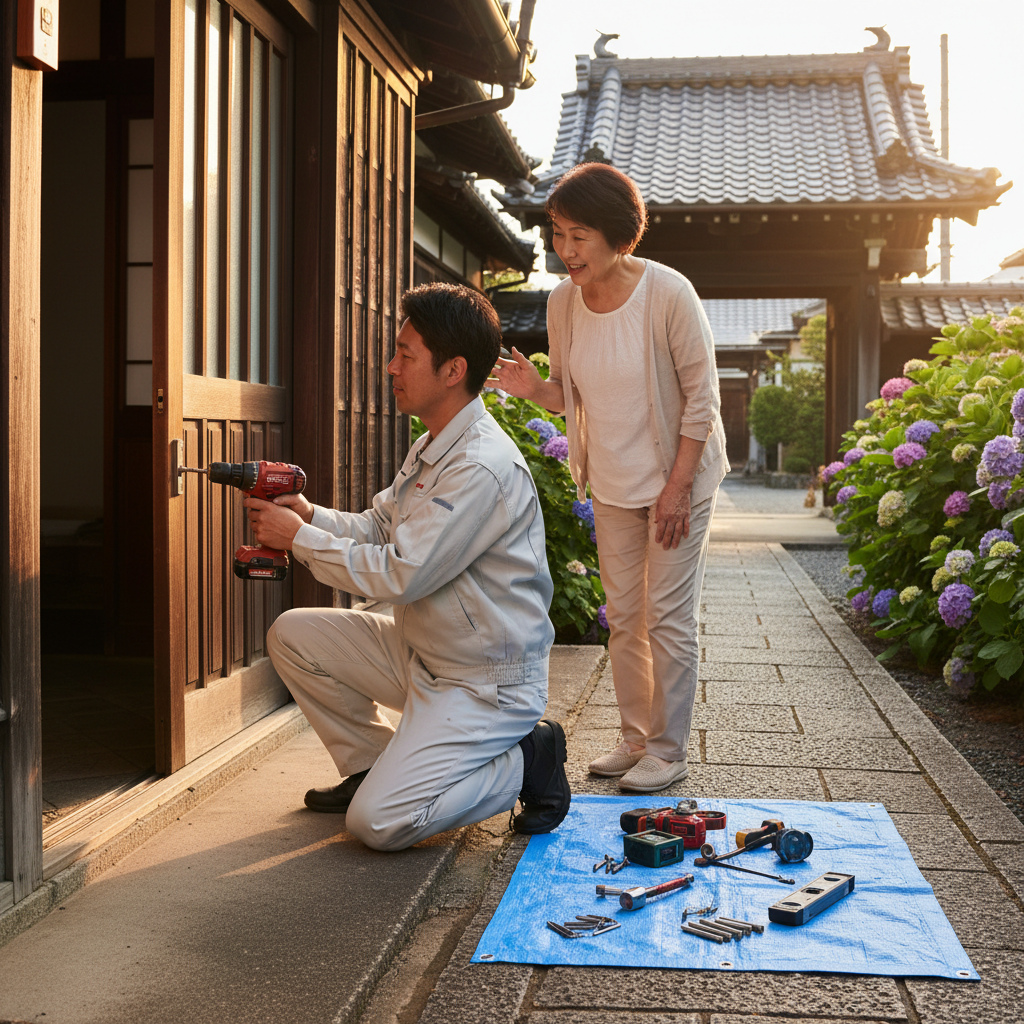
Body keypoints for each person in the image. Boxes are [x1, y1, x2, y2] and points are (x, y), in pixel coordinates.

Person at [246, 283, 567, 851]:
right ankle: (371, 768)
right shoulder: (434, 445)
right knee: (294, 634)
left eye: (405, 354)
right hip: (426, 654)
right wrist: (310, 514)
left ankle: (526, 760)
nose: (390, 366)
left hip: (484, 682)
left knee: (378, 825)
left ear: (453, 370)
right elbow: (379, 527)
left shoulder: (479, 467)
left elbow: (402, 573)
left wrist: (299, 541)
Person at [489, 163, 728, 794]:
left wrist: (677, 488)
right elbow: (571, 395)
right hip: (614, 482)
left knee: (667, 616)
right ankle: (636, 739)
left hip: (680, 477)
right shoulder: (563, 302)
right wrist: (531, 387)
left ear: (618, 236)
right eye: (557, 234)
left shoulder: (668, 293)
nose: (564, 250)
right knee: (623, 616)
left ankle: (670, 749)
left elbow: (703, 401)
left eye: (579, 236)